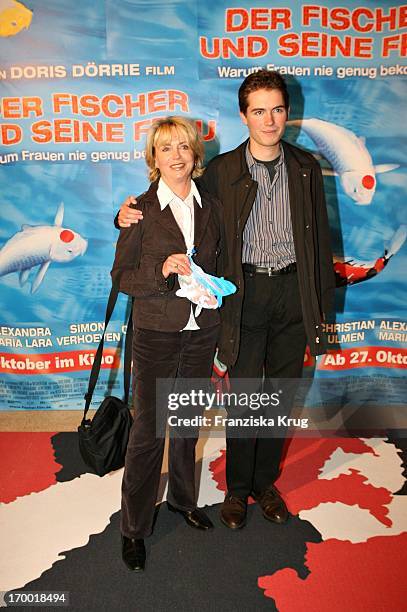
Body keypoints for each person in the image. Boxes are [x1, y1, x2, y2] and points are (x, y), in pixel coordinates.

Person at [117, 70, 335, 532]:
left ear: (287, 113)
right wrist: (121, 216)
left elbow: (318, 246)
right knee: (244, 398)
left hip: (292, 296)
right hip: (244, 295)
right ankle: (237, 490)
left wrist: (319, 312)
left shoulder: (306, 167)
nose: (270, 119)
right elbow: (164, 208)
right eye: (259, 111)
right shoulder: (222, 171)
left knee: (278, 398)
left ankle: (264, 484)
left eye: (277, 109)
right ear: (244, 116)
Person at [118, 116, 225, 572]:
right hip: (157, 335)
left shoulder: (213, 208)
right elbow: (121, 277)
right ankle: (134, 528)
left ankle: (183, 500)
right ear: (153, 158)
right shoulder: (138, 209)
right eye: (166, 149)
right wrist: (161, 273)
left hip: (202, 334)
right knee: (148, 433)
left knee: (186, 425)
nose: (177, 156)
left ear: (195, 155)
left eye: (184, 147)